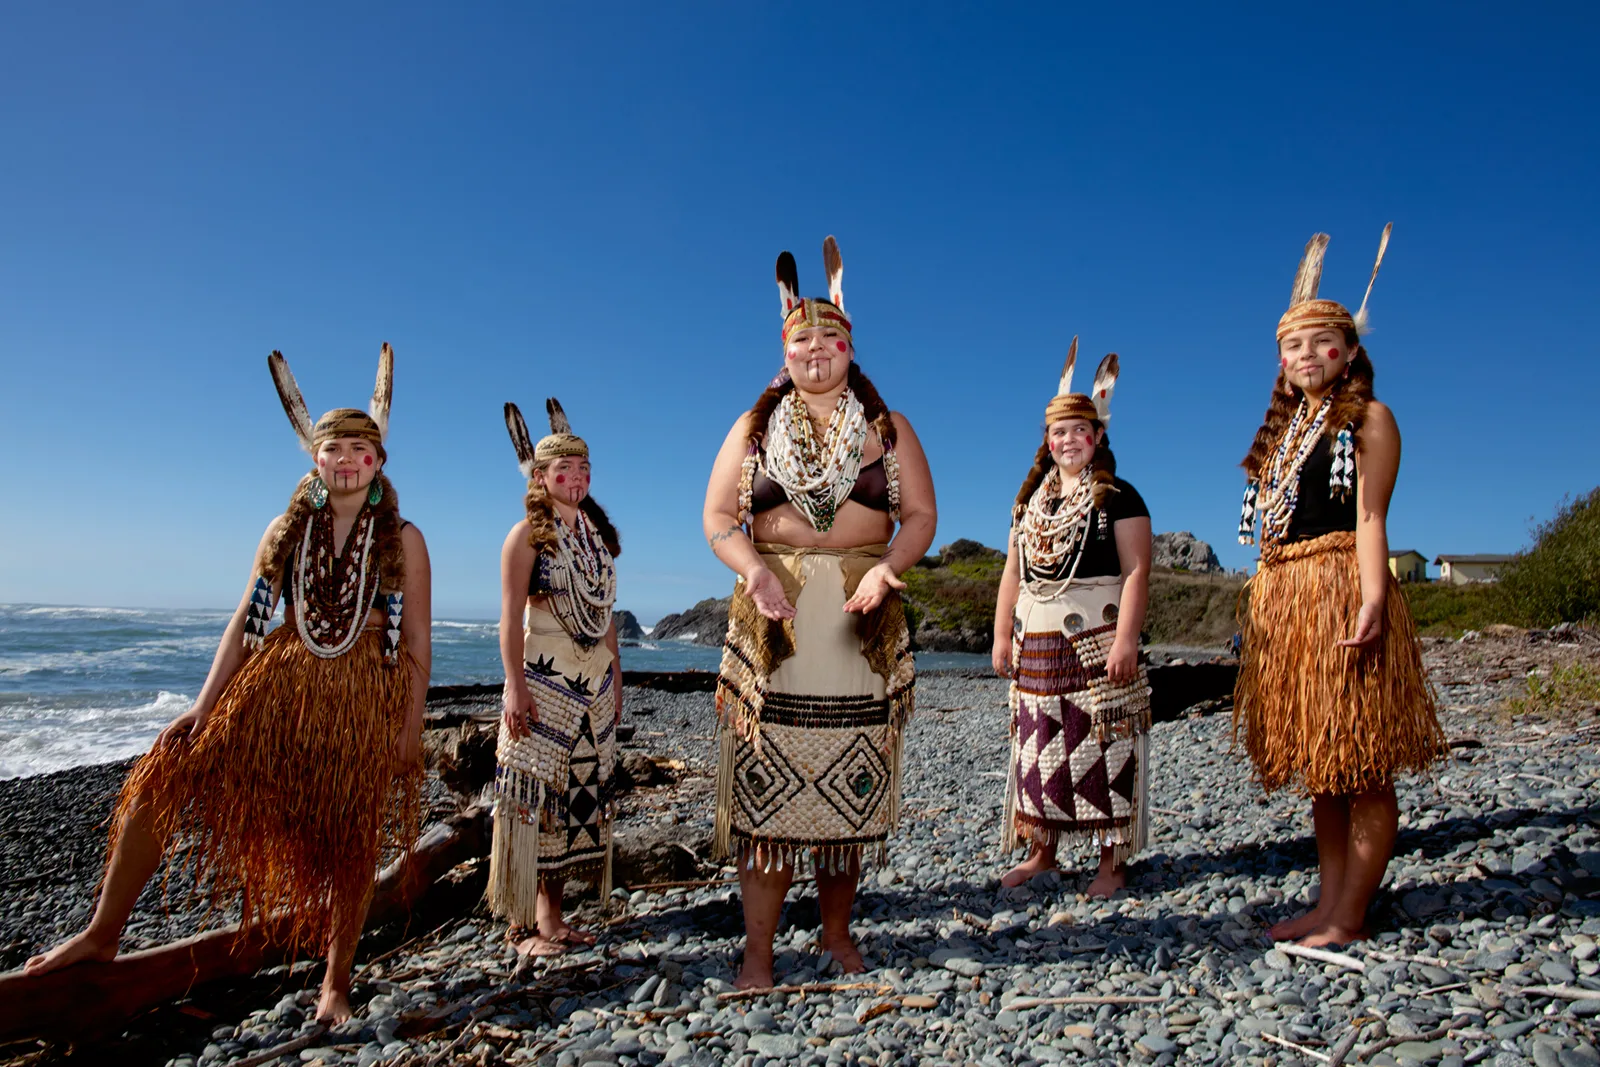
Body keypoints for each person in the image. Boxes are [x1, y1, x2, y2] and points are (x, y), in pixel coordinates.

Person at [25, 345, 431, 1024]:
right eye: (334, 448)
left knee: (352, 833)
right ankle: (101, 932)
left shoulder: (405, 539)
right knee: (167, 772)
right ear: (314, 459)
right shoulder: (284, 529)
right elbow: (247, 620)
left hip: (362, 696)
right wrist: (203, 706)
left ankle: (335, 982)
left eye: (362, 449)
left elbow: (416, 641)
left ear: (379, 463)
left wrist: (409, 727)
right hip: (278, 686)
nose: (347, 460)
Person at [703, 237, 936, 990]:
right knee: (766, 794)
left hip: (859, 625)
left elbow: (922, 516)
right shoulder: (751, 427)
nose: (815, 351)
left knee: (850, 789)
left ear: (849, 347)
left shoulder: (888, 428)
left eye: (829, 339)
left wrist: (890, 573)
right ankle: (760, 951)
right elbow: (717, 519)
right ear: (785, 347)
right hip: (776, 619)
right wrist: (755, 574)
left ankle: (837, 934)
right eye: (802, 339)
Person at [1235, 225, 1445, 947]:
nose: (1306, 357)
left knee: (1364, 761)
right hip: (1288, 598)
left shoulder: (1370, 421)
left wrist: (1374, 599)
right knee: (1323, 765)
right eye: (1293, 347)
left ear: (1351, 350)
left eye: (1323, 343)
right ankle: (1327, 903)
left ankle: (1351, 913)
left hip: (1339, 588)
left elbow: (1371, 517)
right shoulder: (1284, 435)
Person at [990, 340, 1153, 897]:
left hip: (1095, 636)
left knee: (1103, 743)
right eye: (1058, 433)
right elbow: (1012, 575)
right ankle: (1043, 850)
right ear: (1047, 440)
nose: (1068, 441)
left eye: (1079, 431)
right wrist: (999, 634)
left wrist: (1126, 639)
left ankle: (1112, 860)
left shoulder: (1119, 497)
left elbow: (1136, 573)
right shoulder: (1029, 502)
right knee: (1036, 748)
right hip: (1035, 639)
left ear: (1098, 436)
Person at [490, 399, 623, 956]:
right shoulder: (525, 537)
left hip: (593, 683)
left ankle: (554, 918)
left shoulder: (598, 541)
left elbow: (608, 618)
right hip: (543, 683)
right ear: (540, 478)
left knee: (575, 802)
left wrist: (618, 679)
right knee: (530, 801)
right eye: (563, 471)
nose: (575, 479)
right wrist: (515, 686)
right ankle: (523, 926)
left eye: (582, 470)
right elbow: (508, 615)